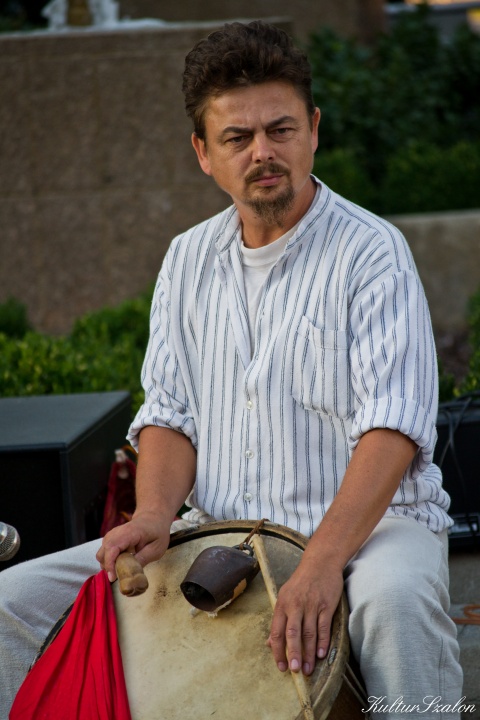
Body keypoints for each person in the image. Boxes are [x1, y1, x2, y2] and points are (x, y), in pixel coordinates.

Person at [0, 20, 463, 718]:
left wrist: (321, 564)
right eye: (237, 137)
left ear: (313, 130)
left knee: (396, 604)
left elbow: (391, 431)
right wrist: (153, 514)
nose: (262, 152)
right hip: (218, 527)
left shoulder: (373, 252)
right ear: (203, 153)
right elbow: (170, 415)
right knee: (10, 604)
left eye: (280, 130)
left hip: (372, 530)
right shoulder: (186, 259)